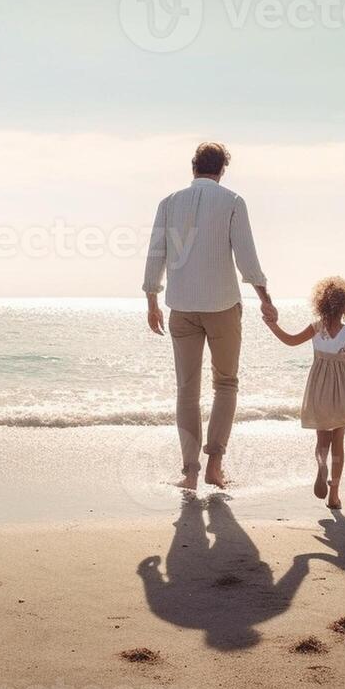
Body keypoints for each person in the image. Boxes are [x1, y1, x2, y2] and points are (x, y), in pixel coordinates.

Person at [143, 142, 277, 490]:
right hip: (222, 307)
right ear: (222, 169)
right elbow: (246, 257)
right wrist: (265, 298)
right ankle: (215, 464)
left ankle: (189, 472)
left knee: (187, 391)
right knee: (226, 383)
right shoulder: (232, 201)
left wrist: (151, 300)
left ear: (193, 167)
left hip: (182, 307)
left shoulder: (169, 203)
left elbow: (155, 253)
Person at [264, 276, 345, 509]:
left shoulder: (316, 329)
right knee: (339, 441)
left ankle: (321, 466)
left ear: (321, 303)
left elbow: (290, 341)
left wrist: (272, 326)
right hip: (344, 391)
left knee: (323, 438)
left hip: (319, 390)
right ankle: (334, 494)